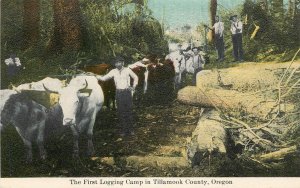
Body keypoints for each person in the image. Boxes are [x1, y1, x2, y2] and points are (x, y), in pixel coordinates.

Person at [96, 57, 138, 137]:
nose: (117, 64)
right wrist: (95, 76)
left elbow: (135, 77)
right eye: (116, 63)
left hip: (127, 92)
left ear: (122, 63)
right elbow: (104, 78)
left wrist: (133, 86)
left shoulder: (127, 70)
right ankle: (124, 130)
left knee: (128, 111)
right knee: (121, 112)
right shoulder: (113, 71)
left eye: (119, 62)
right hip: (118, 93)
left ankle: (131, 130)